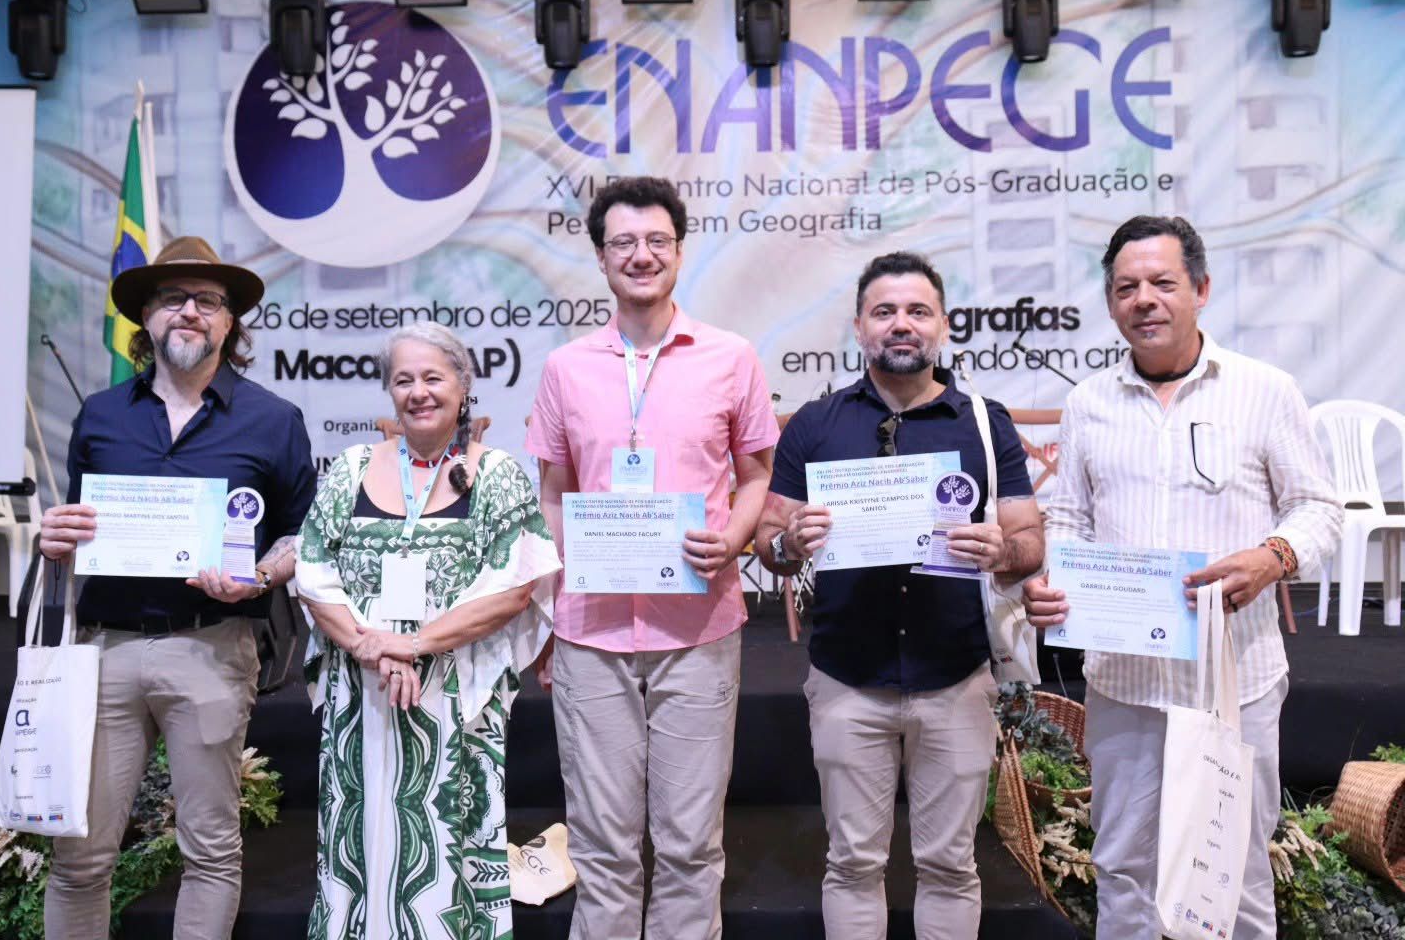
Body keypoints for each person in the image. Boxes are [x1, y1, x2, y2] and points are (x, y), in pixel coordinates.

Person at [1022, 216, 1342, 940]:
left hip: (1235, 679)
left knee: (1237, 869)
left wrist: (1274, 557)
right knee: (1124, 866)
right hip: (1125, 681)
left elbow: (1320, 509)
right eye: (1127, 287)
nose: (1146, 300)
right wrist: (1053, 579)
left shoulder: (1264, 390)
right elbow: (1066, 519)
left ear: (1199, 289)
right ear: (1110, 304)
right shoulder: (1088, 404)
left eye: (1163, 283)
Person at [755, 251, 1044, 940]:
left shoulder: (983, 421)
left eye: (917, 311)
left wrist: (1004, 551)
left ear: (942, 324)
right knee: (852, 863)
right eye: (884, 312)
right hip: (847, 681)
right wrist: (791, 539)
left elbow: (1031, 539)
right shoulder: (816, 425)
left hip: (958, 676)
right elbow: (766, 545)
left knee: (950, 864)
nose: (901, 325)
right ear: (859, 327)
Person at [37, 236, 316, 940]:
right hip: (105, 652)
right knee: (79, 859)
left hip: (213, 649)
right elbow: (78, 532)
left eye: (208, 301)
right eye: (172, 299)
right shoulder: (101, 415)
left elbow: (303, 537)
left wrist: (263, 572)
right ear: (148, 320)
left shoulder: (273, 420)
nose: (190, 312)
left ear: (229, 323)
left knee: (211, 854)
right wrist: (55, 536)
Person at [525, 176, 779, 940]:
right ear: (601, 258)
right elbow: (553, 492)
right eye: (625, 243)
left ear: (678, 251)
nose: (642, 255)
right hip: (591, 634)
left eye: (657, 242)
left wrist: (735, 536)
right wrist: (553, 605)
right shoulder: (566, 368)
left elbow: (758, 475)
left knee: (691, 845)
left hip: (699, 626)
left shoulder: (731, 358)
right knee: (602, 847)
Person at [295, 321, 559, 940]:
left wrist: (414, 645)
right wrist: (371, 648)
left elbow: (514, 586)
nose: (418, 392)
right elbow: (312, 571)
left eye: (433, 377)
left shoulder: (497, 474)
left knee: (451, 858)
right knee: (354, 858)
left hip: (455, 702)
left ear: (463, 386)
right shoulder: (352, 468)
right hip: (361, 698)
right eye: (403, 379)